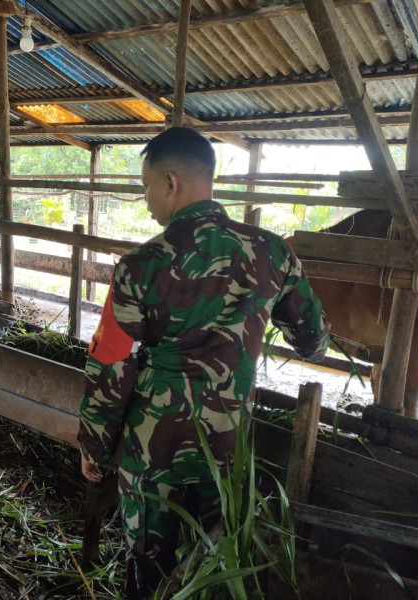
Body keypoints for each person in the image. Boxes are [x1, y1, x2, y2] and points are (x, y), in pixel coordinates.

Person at [77, 127, 330, 598]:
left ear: (171, 182)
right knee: (217, 560)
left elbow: (112, 364)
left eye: (147, 187)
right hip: (228, 447)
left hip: (153, 447)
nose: (147, 200)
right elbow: (314, 341)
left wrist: (94, 445)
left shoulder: (139, 266)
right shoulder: (272, 251)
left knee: (148, 564)